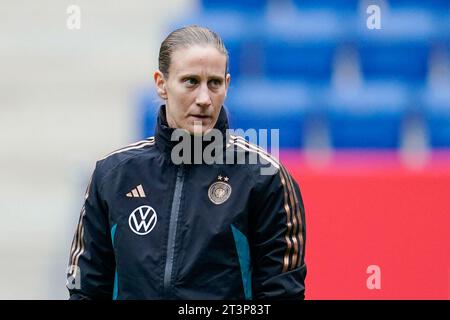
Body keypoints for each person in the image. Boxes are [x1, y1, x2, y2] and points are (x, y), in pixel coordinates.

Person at [66, 25, 306, 300]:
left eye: (214, 83)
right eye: (191, 81)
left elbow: (282, 294)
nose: (204, 99)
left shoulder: (265, 176)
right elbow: (86, 290)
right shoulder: (112, 175)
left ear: (226, 86)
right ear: (161, 84)